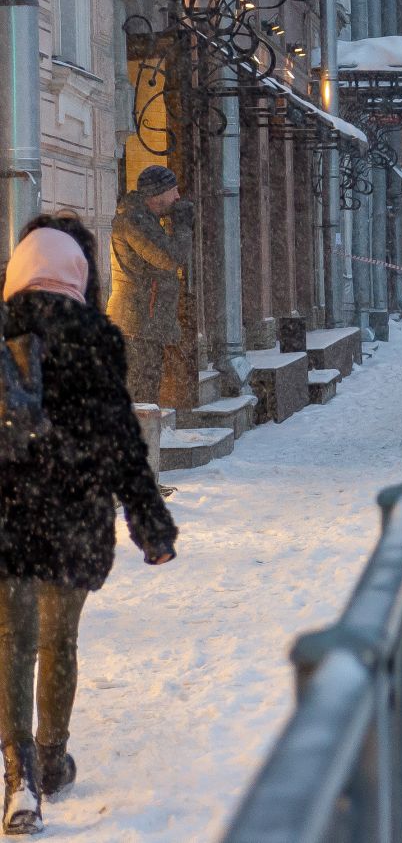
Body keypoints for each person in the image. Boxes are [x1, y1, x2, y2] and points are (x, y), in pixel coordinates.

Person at [1, 217, 177, 832]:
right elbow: (121, 441)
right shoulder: (94, 339)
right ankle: (51, 760)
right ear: (79, 275)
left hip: (7, 518)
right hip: (73, 516)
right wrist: (150, 525)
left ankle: (19, 778)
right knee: (58, 641)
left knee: (11, 642)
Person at [107, 166, 194, 410]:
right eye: (173, 190)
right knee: (141, 399)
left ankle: (144, 444)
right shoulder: (134, 221)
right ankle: (140, 446)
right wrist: (183, 226)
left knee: (146, 396)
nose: (178, 197)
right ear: (158, 194)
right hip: (136, 325)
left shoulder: (147, 220)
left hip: (145, 324)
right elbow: (170, 257)